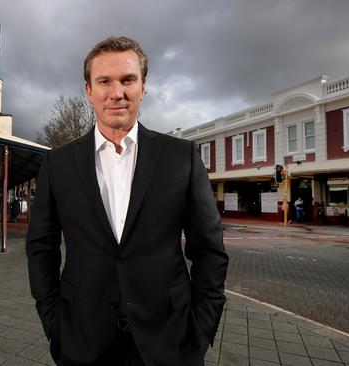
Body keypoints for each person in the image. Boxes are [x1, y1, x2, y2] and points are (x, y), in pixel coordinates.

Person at [26, 36, 228, 366]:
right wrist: (55, 325)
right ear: (89, 91)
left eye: (128, 80)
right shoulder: (58, 164)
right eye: (104, 81)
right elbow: (40, 248)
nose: (117, 92)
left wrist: (201, 331)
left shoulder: (181, 157)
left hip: (170, 342)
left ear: (143, 87)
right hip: (82, 340)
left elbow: (210, 250)